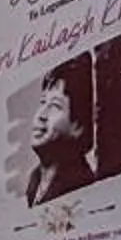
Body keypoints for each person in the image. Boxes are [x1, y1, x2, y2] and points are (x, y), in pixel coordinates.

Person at [24, 67, 97, 206]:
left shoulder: (79, 182)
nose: (41, 115)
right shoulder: (34, 178)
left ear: (78, 127)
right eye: (43, 102)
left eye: (55, 106)